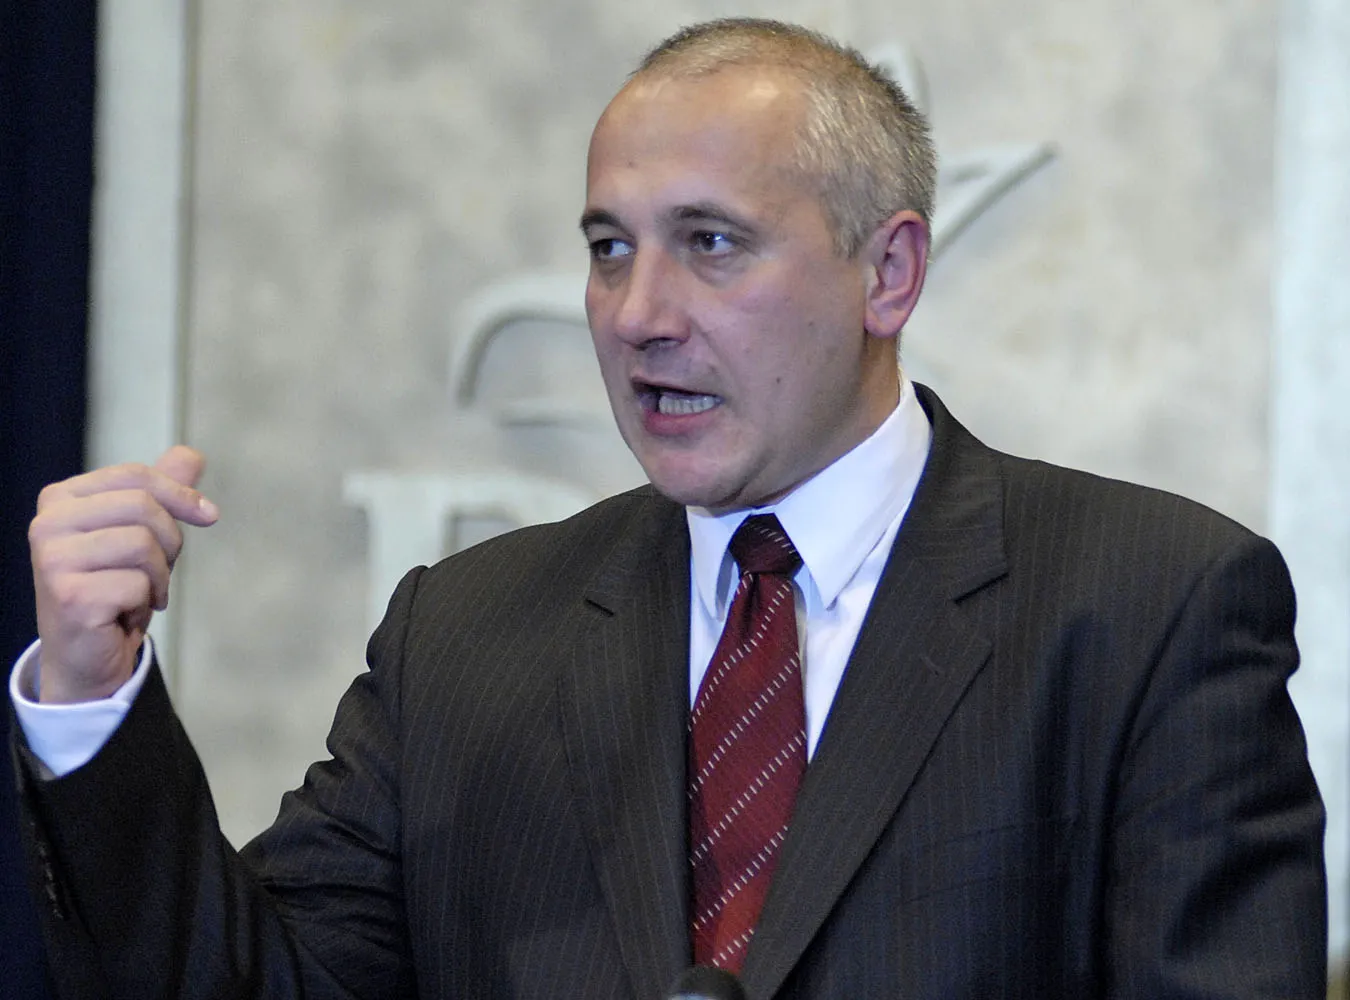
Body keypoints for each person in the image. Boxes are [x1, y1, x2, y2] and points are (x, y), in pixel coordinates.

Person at [9, 17, 1326, 1000]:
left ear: (888, 271)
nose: (638, 314)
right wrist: (92, 699)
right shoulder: (464, 638)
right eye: (607, 249)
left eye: (710, 242)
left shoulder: (1147, 606)